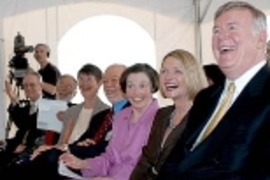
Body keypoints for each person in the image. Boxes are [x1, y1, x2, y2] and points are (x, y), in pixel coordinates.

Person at [157, 1, 270, 179]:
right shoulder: (206, 98)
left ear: (261, 39)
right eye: (216, 31)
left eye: (232, 28)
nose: (222, 37)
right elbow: (177, 158)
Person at [59, 63, 159, 180]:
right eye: (130, 86)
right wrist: (83, 164)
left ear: (153, 87)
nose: (135, 92)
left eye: (142, 86)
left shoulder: (159, 120)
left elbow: (147, 168)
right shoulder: (121, 117)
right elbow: (109, 158)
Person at [130, 49, 208, 180]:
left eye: (177, 71)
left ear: (192, 75)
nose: (168, 77)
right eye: (163, 71)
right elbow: (146, 160)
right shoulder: (162, 114)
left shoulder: (203, 117)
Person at [0, 71, 44, 168]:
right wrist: (12, 97)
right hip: (15, 147)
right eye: (25, 85)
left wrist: (28, 148)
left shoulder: (50, 107)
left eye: (32, 85)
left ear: (40, 86)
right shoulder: (25, 108)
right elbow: (21, 124)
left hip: (34, 152)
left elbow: (46, 135)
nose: (28, 88)